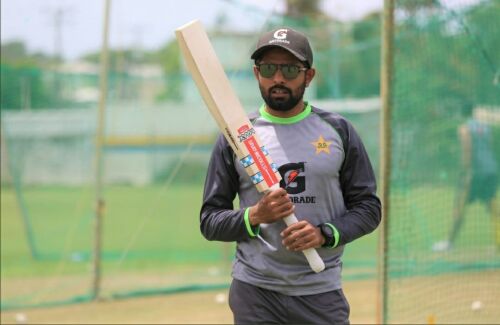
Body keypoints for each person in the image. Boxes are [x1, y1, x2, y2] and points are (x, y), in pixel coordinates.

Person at [200, 27, 381, 324]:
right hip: (255, 294)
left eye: (290, 69)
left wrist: (324, 233)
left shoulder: (339, 131)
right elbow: (210, 221)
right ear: (257, 73)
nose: (279, 78)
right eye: (269, 68)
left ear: (309, 76)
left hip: (320, 293)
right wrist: (256, 215)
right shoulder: (237, 137)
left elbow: (369, 209)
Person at [433, 104, 499, 252]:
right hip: (490, 171)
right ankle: (499, 243)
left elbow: (467, 149)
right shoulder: (487, 128)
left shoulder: (464, 128)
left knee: (459, 207)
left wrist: (466, 171)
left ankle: (449, 242)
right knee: (494, 209)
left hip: (474, 173)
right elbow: (490, 147)